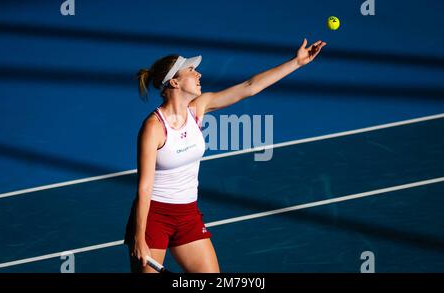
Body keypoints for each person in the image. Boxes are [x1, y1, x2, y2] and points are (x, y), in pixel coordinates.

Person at [124, 38, 327, 273]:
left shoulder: (198, 108)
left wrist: (297, 63)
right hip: (154, 218)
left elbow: (249, 87)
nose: (198, 74)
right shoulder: (154, 127)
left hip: (188, 214)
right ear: (175, 82)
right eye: (191, 70)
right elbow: (145, 187)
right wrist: (139, 236)